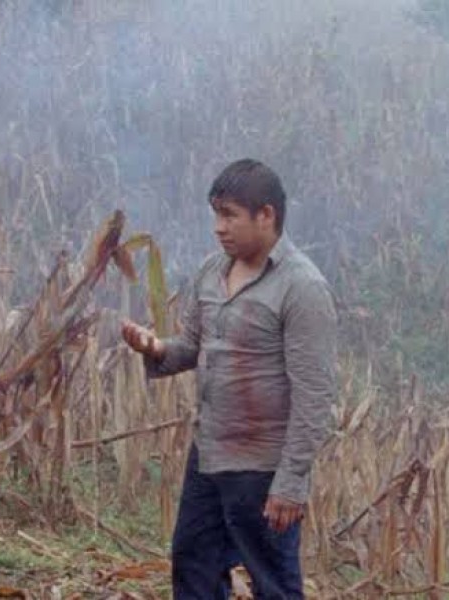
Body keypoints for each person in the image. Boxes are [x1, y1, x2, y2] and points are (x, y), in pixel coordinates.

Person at [122, 159, 337, 599]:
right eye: (215, 215)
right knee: (193, 564)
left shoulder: (302, 288)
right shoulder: (211, 271)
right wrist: (156, 348)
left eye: (230, 215)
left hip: (261, 467)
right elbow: (194, 347)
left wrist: (291, 482)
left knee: (273, 582)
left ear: (266, 216)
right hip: (209, 457)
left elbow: (314, 394)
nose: (219, 228)